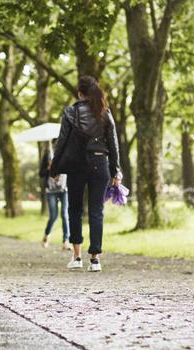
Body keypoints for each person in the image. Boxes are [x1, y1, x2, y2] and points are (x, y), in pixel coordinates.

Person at [49, 76, 121, 272]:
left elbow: (62, 142)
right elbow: (113, 143)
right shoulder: (105, 112)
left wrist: (55, 169)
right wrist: (116, 170)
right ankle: (95, 259)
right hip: (100, 163)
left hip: (77, 164)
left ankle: (77, 256)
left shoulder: (71, 112)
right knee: (97, 211)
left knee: (75, 210)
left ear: (79, 93)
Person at [39, 146, 70, 250]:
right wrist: (48, 168)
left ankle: (66, 241)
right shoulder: (48, 155)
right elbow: (41, 173)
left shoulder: (66, 153)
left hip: (63, 189)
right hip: (51, 191)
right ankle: (46, 236)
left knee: (65, 214)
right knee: (53, 216)